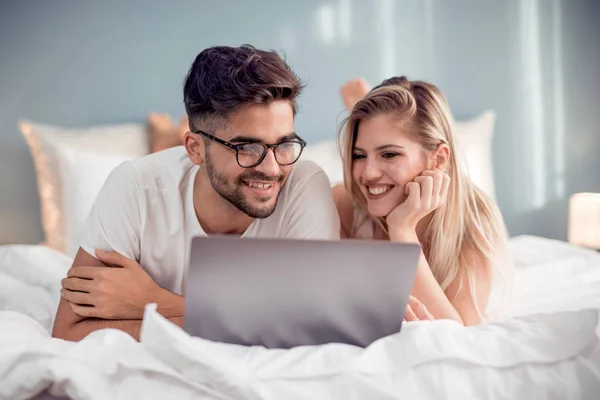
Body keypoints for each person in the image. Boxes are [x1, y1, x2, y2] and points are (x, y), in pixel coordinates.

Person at [52, 47, 433, 342]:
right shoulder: (134, 188)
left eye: (284, 144)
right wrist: (252, 320)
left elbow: (310, 327)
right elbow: (69, 330)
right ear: (195, 148)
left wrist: (148, 303)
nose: (271, 168)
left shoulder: (304, 183)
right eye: (246, 147)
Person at [334, 77, 513, 326]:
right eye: (359, 155)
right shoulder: (344, 204)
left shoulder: (473, 221)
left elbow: (458, 333)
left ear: (439, 159)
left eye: (389, 154)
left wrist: (403, 229)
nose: (367, 173)